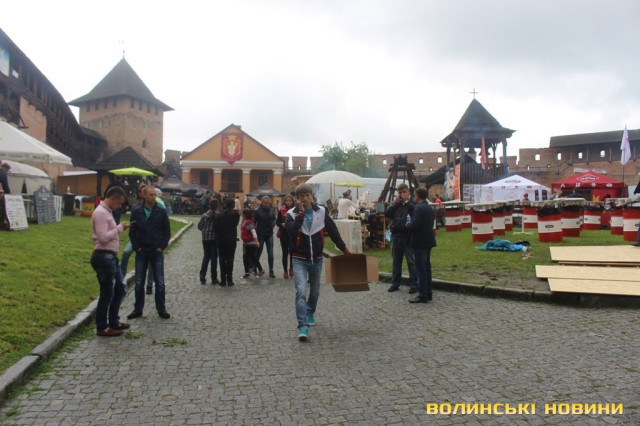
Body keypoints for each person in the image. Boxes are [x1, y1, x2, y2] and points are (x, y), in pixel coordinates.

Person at [285, 183, 350, 342]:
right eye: (301, 196)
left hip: (317, 258)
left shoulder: (321, 211)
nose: (305, 199)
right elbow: (291, 232)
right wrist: (300, 215)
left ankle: (310, 312)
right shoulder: (291, 214)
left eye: (307, 195)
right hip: (299, 258)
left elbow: (333, 231)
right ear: (297, 199)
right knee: (300, 291)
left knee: (314, 292)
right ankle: (302, 326)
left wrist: (343, 248)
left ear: (312, 196)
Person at [90, 186, 130, 336]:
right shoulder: (101, 213)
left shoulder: (107, 211)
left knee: (120, 288)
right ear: (112, 198)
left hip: (110, 256)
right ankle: (102, 326)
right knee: (107, 292)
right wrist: (119, 228)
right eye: (119, 203)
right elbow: (103, 237)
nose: (120, 206)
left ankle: (113, 321)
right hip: (104, 256)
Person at [127, 186, 171, 320]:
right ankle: (138, 309)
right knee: (139, 282)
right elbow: (132, 231)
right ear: (144, 196)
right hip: (142, 250)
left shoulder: (161, 211)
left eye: (155, 195)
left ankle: (161, 309)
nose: (153, 197)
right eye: (151, 195)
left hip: (156, 250)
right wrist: (136, 247)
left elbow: (167, 231)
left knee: (160, 282)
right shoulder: (137, 211)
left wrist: (161, 246)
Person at [384, 183, 417, 293]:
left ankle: (414, 284)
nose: (402, 194)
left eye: (404, 192)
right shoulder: (396, 204)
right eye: (400, 193)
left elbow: (415, 214)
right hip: (396, 235)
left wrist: (408, 203)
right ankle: (395, 283)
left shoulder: (413, 204)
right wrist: (395, 203)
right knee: (396, 261)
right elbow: (388, 213)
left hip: (408, 236)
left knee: (411, 261)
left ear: (409, 192)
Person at [406, 187, 436, 303]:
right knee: (427, 268)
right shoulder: (429, 208)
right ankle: (428, 292)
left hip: (419, 241)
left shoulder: (419, 208)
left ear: (417, 195)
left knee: (420, 269)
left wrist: (408, 224)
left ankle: (422, 294)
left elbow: (416, 225)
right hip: (428, 240)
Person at [215, 198, 240, 286]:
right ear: (233, 205)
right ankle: (229, 279)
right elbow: (235, 224)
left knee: (222, 259)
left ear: (225, 205)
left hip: (221, 240)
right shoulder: (236, 215)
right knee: (230, 259)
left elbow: (216, 226)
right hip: (231, 239)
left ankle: (223, 279)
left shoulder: (219, 215)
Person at [198, 198, 220, 285]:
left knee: (206, 256)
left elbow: (199, 226)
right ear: (217, 206)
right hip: (214, 239)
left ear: (209, 206)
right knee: (214, 258)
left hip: (205, 238)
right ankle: (214, 278)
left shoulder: (204, 215)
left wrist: (205, 231)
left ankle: (202, 274)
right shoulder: (218, 216)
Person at [254, 196, 277, 278]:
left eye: (268, 203)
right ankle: (255, 267)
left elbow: (274, 219)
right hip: (260, 234)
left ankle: (271, 270)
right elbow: (254, 221)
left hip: (269, 234)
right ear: (262, 203)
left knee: (270, 253)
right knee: (258, 252)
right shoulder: (257, 211)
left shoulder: (271, 210)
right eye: (265, 203)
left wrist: (272, 225)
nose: (266, 204)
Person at [241, 209, 264, 278]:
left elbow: (253, 231)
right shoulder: (245, 221)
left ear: (244, 214)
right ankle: (247, 272)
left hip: (250, 243)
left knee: (251, 257)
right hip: (246, 242)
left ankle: (260, 270)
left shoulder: (248, 222)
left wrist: (256, 241)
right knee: (247, 257)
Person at [276, 195, 295, 278]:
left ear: (292, 202)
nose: (288, 202)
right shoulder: (281, 210)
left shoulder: (295, 210)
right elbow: (277, 222)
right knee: (285, 253)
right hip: (284, 234)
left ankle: (291, 268)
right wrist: (281, 224)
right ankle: (285, 271)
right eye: (287, 200)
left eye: (290, 200)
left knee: (292, 252)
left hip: (292, 233)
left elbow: (298, 221)